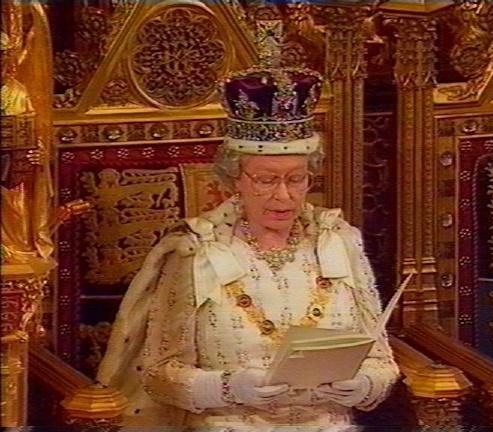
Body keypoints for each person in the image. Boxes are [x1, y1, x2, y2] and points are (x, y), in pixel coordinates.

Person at [97, 64, 400, 430]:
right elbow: (158, 374)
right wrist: (227, 387)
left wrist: (365, 385)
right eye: (266, 180)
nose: (283, 195)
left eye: (297, 178)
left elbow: (382, 361)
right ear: (233, 179)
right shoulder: (195, 252)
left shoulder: (340, 241)